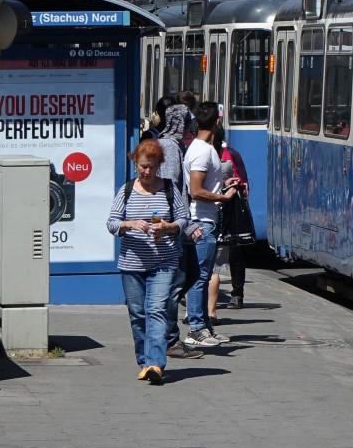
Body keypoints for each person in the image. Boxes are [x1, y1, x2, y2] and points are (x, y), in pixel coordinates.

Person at [107, 139, 191, 384]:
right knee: (138, 314)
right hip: (132, 264)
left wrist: (169, 227)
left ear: (159, 166)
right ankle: (144, 361)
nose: (147, 171)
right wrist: (129, 224)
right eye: (143, 166)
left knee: (156, 310)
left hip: (164, 262)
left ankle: (155, 363)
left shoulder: (168, 188)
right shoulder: (126, 190)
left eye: (152, 167)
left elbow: (183, 218)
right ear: (136, 163)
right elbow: (112, 223)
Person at [182, 102, 239, 349]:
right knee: (200, 277)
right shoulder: (202, 151)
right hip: (202, 221)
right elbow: (195, 191)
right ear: (217, 122)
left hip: (206, 220)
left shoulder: (201, 149)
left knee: (203, 276)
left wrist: (221, 186)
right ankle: (196, 329)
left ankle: (205, 326)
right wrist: (222, 197)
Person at [215, 125, 249, 311]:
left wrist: (236, 184)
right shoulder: (200, 153)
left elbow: (244, 182)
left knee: (236, 251)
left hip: (231, 206)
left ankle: (237, 293)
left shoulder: (232, 154)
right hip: (209, 207)